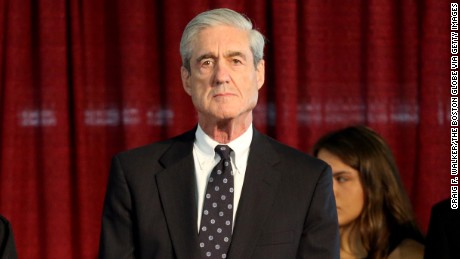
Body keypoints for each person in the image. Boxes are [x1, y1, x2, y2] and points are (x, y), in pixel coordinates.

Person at [98, 8, 339, 259]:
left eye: (236, 61)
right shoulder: (135, 174)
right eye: (207, 62)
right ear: (187, 79)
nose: (221, 76)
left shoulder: (307, 180)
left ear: (259, 73)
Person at [313, 125, 424, 259]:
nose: (328, 191)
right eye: (322, 179)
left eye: (342, 179)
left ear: (374, 183)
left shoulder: (407, 254)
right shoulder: (303, 246)